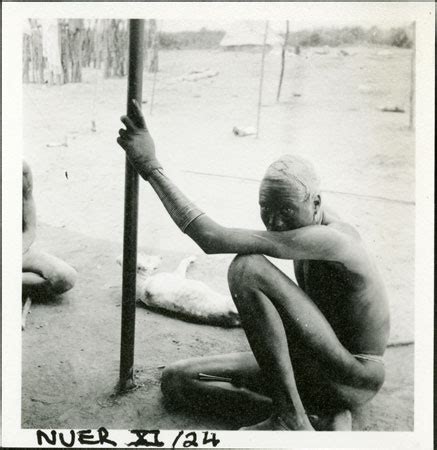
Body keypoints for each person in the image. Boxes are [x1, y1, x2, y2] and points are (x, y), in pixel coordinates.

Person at [117, 100, 390, 431]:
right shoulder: (302, 226)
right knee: (177, 380)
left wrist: (150, 166)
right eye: (265, 208)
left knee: (247, 268)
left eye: (286, 211)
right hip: (316, 365)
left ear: (316, 203)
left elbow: (211, 238)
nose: (274, 221)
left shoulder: (334, 239)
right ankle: (316, 415)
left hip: (352, 376)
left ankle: (290, 418)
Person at [22, 160, 77, 303]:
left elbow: (30, 229)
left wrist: (15, 253)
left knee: (65, 277)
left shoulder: (20, 168)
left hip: (15, 250)